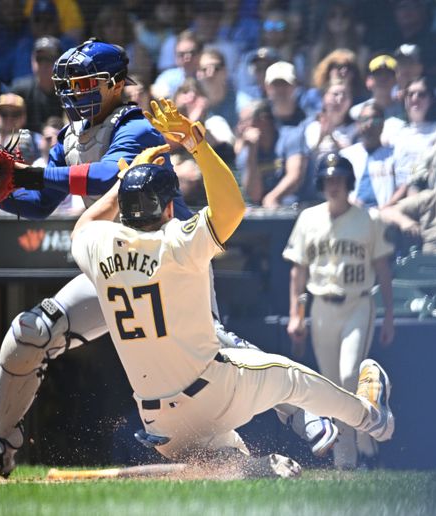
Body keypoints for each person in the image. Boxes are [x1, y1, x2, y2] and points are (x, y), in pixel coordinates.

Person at [0, 39, 334, 478]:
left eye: (84, 83)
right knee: (29, 333)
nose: (72, 93)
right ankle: (0, 443)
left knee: (216, 350)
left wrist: (24, 172)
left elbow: (113, 173)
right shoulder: (71, 136)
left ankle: (302, 406)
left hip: (172, 259)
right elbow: (38, 201)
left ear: (114, 85)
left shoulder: (135, 123)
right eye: (67, 84)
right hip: (114, 264)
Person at [69, 100, 395, 470]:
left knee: (226, 456)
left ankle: (251, 468)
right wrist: (198, 144)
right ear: (169, 207)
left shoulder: (99, 246)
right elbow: (232, 208)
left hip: (157, 425)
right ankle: (371, 417)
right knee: (291, 378)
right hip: (211, 393)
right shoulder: (177, 240)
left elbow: (83, 227)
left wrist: (122, 187)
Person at [284, 153, 396, 469]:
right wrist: (296, 313)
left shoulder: (368, 219)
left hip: (357, 303)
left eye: (339, 179)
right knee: (331, 385)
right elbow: (298, 271)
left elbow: (383, 268)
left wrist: (388, 315)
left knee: (349, 374)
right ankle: (350, 459)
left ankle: (361, 449)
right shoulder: (308, 219)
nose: (334, 185)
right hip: (322, 307)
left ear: (349, 182)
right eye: (329, 179)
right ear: (321, 183)